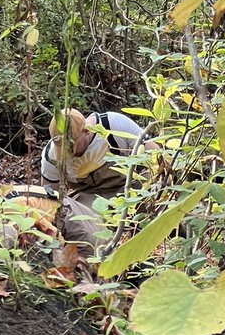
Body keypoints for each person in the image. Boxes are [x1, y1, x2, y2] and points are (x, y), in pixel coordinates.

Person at [40, 107, 153, 249]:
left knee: (156, 188)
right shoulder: (50, 158)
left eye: (70, 147)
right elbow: (49, 200)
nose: (66, 154)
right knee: (89, 234)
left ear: (86, 132)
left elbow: (156, 156)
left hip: (131, 187)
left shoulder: (113, 125)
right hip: (91, 200)